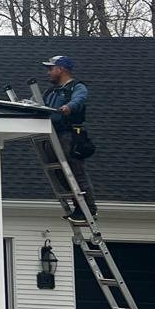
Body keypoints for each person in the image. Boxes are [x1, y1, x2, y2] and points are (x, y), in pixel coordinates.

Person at [42, 54, 97, 221]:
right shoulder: (51, 92)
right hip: (52, 135)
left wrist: (68, 107)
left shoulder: (76, 87)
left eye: (51, 69)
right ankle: (78, 206)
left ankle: (88, 209)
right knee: (60, 173)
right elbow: (40, 105)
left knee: (76, 173)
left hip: (70, 136)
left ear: (61, 69)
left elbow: (80, 99)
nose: (48, 72)